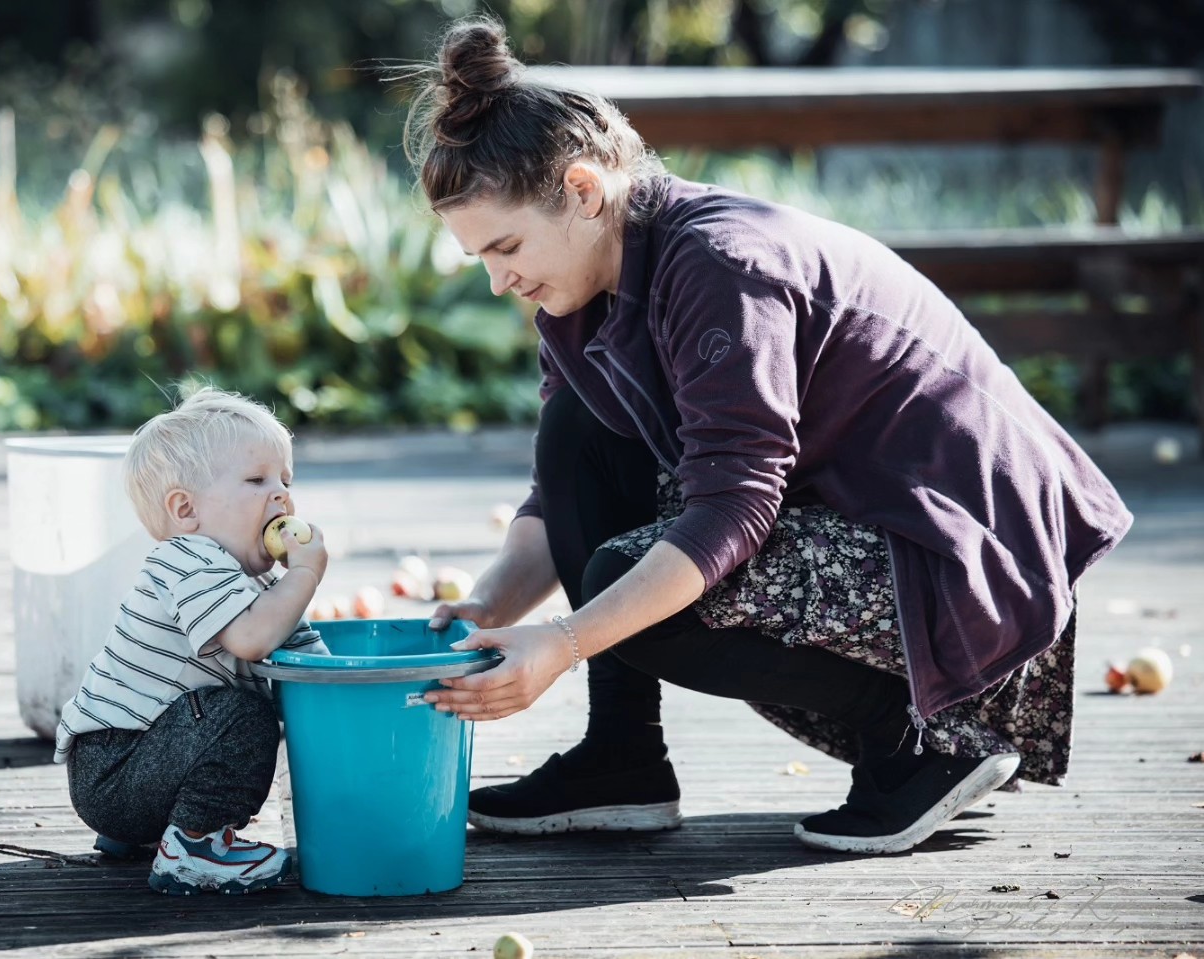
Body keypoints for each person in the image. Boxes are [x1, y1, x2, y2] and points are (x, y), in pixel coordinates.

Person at [409, 18, 1133, 855]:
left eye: (504, 246)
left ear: (581, 189)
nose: (498, 281)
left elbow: (734, 510)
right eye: (480, 258)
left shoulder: (718, 264)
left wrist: (563, 645)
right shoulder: (577, 294)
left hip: (964, 560)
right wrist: (487, 610)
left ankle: (920, 739)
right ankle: (620, 759)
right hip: (855, 521)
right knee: (581, 431)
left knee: (630, 578)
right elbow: (562, 490)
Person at [53, 387, 328, 895]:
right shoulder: (187, 558)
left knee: (240, 710)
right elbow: (251, 639)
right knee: (244, 716)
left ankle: (149, 830)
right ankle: (193, 848)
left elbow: (311, 669)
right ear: (185, 510)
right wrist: (305, 575)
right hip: (114, 768)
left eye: (285, 481)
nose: (281, 496)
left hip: (141, 767)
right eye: (256, 480)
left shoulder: (263, 587)